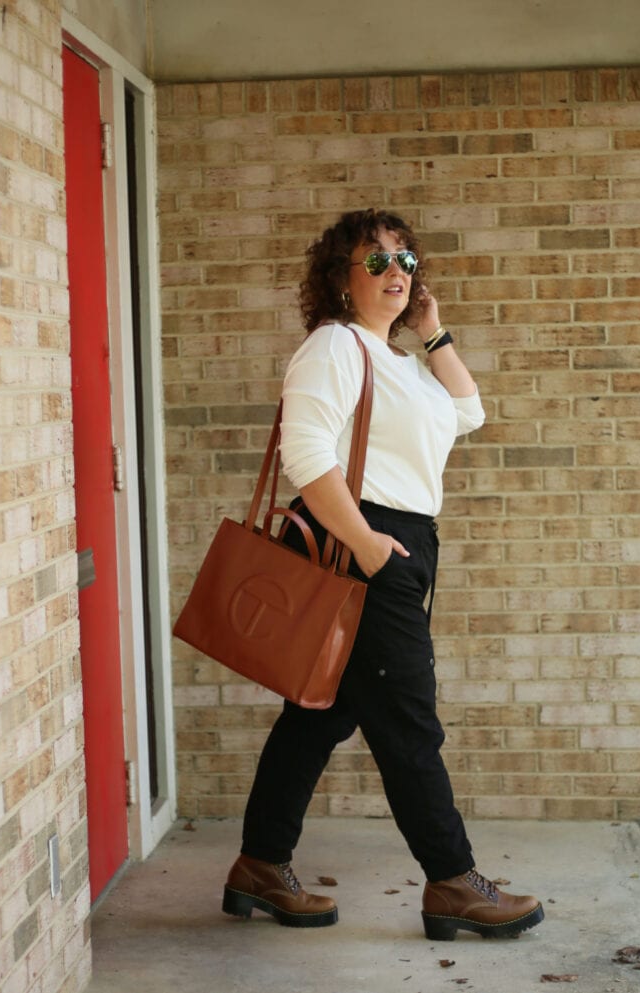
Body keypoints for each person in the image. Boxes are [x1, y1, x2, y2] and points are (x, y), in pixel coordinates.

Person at [222, 208, 544, 941]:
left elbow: (470, 412)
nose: (395, 272)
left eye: (405, 260)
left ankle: (260, 864)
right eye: (376, 261)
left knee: (319, 713)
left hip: (400, 543)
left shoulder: (399, 361)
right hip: (363, 543)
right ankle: (453, 881)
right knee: (408, 720)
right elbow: (307, 455)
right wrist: (368, 544)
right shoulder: (335, 347)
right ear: (341, 278)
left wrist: (433, 331)